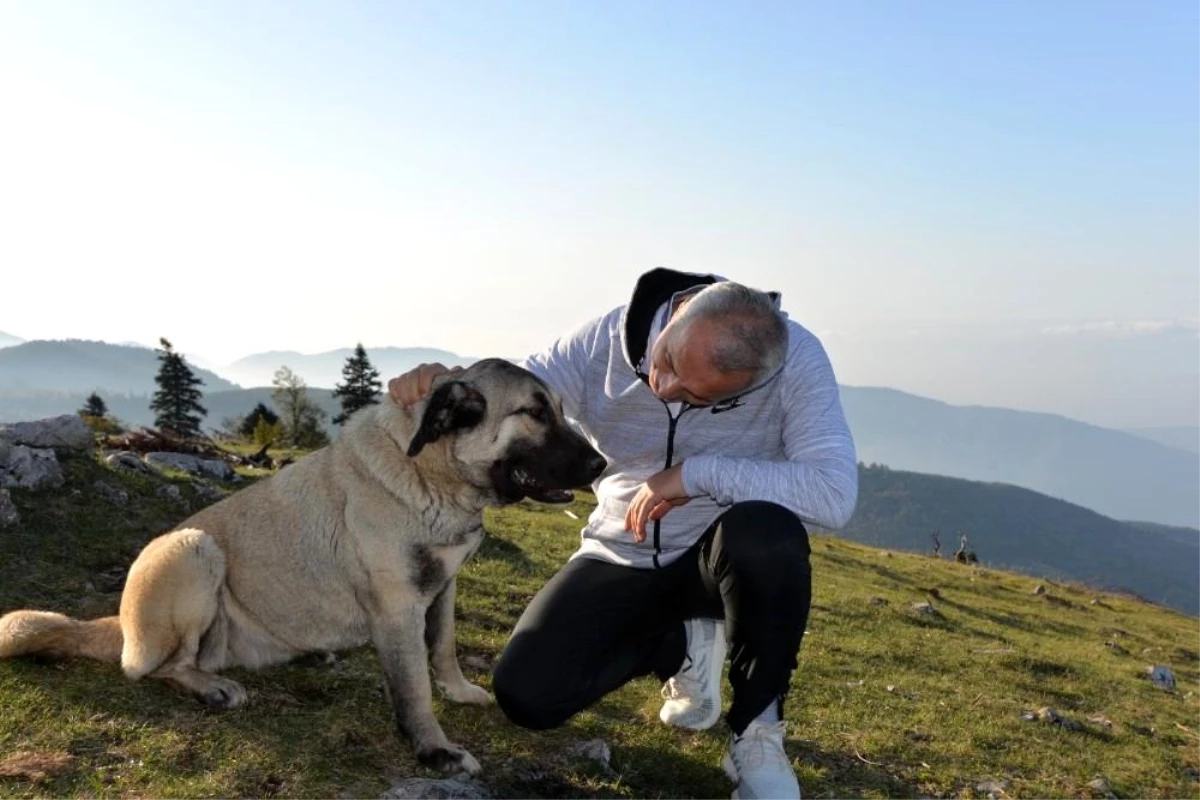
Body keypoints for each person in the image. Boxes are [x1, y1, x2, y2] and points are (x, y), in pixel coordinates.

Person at [389, 267, 858, 798]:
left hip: (721, 559)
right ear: (677, 315)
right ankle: (683, 644)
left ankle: (756, 733)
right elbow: (516, 393)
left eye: (701, 399)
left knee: (768, 533)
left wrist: (697, 474)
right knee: (528, 697)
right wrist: (448, 381)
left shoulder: (797, 360)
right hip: (621, 553)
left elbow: (833, 493)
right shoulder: (605, 340)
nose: (667, 390)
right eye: (668, 364)